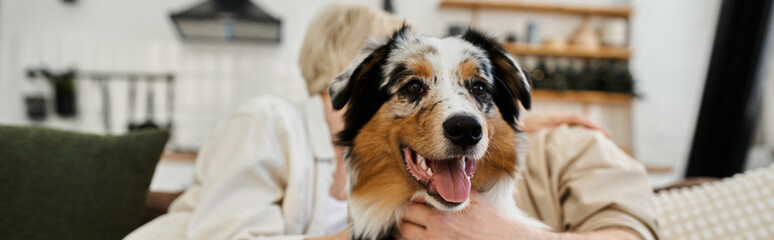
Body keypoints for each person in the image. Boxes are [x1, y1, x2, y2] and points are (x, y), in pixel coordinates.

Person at [126, 3, 659, 240]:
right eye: (406, 78)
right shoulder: (267, 119)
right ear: (349, 68)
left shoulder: (413, 159)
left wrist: (530, 124)